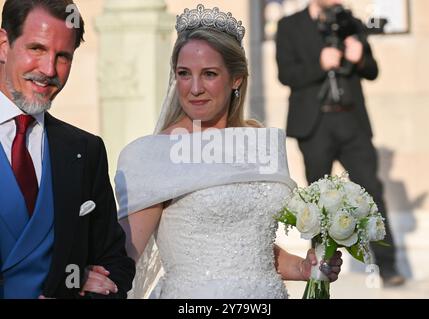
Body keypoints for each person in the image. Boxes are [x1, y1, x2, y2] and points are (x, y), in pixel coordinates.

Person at [115, 4, 342, 299]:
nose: (194, 88)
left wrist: (302, 268)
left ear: (236, 79)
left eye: (209, 74)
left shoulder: (260, 141)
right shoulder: (155, 154)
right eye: (184, 74)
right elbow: (121, 258)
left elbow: (250, 249)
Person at [0, 0, 135, 298]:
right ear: (3, 45)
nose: (48, 70)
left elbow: (115, 264)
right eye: (37, 49)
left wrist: (74, 290)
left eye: (63, 56)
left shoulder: (85, 150)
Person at [275, 0, 405, 286]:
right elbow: (287, 74)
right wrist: (320, 64)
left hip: (352, 122)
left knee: (372, 192)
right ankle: (318, 269)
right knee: (317, 204)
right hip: (315, 124)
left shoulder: (351, 22)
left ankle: (389, 266)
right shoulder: (289, 26)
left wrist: (360, 59)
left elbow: (372, 71)